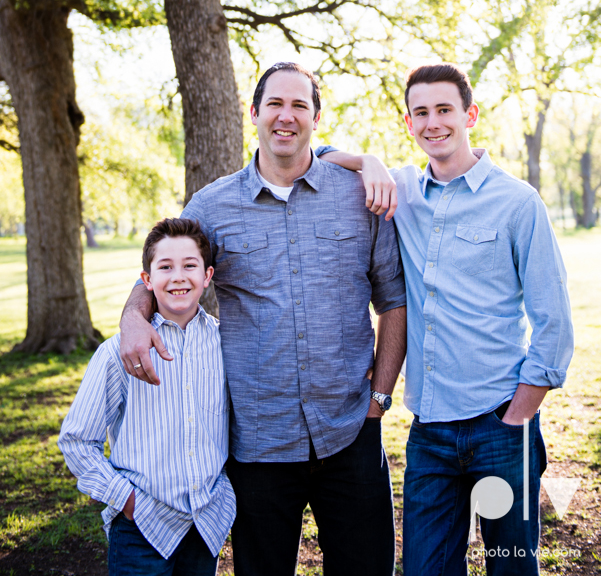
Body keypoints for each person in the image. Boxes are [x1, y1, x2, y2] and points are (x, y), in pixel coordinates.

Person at [119, 62, 407, 576]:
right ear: (254, 113)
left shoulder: (360, 197)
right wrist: (133, 318)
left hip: (350, 432)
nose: (286, 116)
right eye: (275, 104)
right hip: (257, 442)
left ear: (317, 119)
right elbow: (169, 270)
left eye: (300, 105)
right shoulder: (213, 206)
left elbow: (394, 301)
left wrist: (379, 399)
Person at [316, 62, 574, 576]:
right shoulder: (402, 190)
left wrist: (519, 416)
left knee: (511, 567)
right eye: (420, 113)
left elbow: (555, 324)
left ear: (469, 115)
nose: (433, 123)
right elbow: (319, 154)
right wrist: (367, 160)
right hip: (430, 432)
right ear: (408, 123)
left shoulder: (517, 203)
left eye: (444, 110)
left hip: (501, 424)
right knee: (425, 569)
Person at [58, 218, 235, 576]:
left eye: (190, 266)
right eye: (165, 267)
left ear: (208, 274)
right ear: (147, 279)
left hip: (205, 526)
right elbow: (77, 440)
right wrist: (126, 499)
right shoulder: (118, 353)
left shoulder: (226, 345)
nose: (179, 277)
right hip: (141, 527)